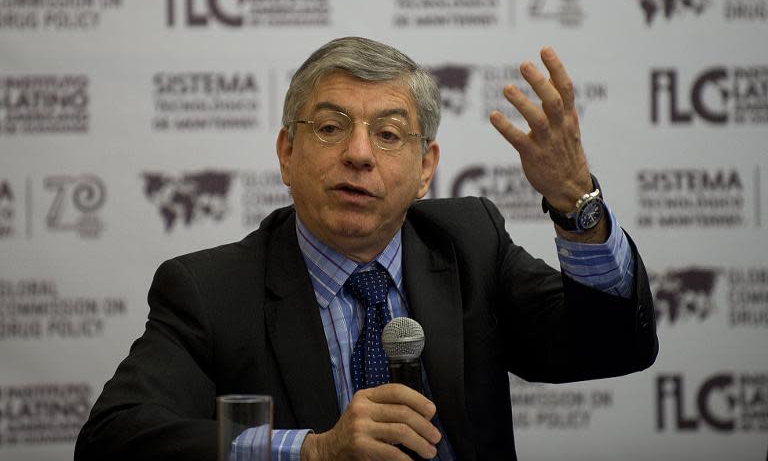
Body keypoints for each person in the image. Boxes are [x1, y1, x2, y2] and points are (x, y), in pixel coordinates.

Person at [75, 37, 658, 461]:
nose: (358, 154)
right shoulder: (210, 291)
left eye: (388, 134)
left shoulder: (469, 244)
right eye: (330, 128)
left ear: (426, 167)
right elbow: (114, 438)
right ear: (286, 152)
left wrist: (576, 203)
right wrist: (310, 451)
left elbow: (612, 346)